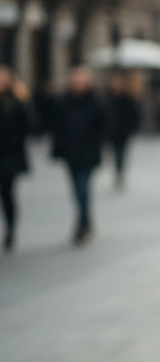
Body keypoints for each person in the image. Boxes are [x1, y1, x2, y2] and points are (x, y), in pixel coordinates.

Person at [51, 67, 108, 245]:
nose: (78, 84)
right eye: (75, 80)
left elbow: (103, 126)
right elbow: (57, 127)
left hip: (88, 154)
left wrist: (96, 145)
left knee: (83, 188)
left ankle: (82, 224)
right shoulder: (65, 101)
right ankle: (85, 220)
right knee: (76, 189)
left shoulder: (95, 101)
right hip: (71, 154)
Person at [0, 66, 35, 252]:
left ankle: (10, 230)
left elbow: (31, 125)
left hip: (10, 155)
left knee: (7, 193)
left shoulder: (17, 100)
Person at [105, 72, 141, 190]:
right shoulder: (108, 99)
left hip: (124, 132)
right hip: (112, 132)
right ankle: (117, 171)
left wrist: (132, 127)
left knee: (122, 153)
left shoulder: (127, 99)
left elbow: (133, 114)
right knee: (115, 153)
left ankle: (120, 172)